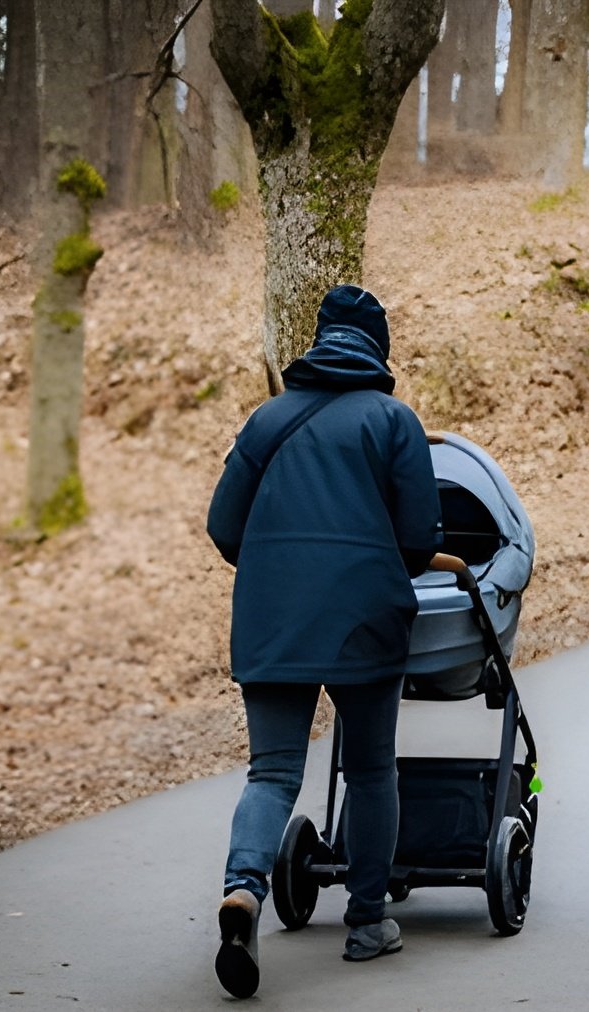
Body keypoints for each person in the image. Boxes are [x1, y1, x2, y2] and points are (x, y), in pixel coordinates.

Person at [205, 284, 441, 1000]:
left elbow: (223, 528)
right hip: (363, 618)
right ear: (380, 349)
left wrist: (284, 569)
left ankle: (243, 891)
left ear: (318, 341)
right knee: (369, 769)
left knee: (272, 773)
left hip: (272, 619)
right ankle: (367, 923)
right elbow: (418, 541)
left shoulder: (266, 419)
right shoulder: (393, 422)